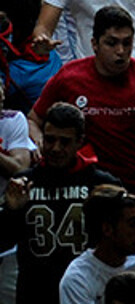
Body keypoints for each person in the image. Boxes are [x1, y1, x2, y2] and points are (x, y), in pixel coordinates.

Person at [31, 5, 135, 254]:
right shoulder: (70, 76)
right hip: (86, 196)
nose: (121, 52)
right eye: (112, 43)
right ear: (94, 43)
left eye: (127, 43)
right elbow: (34, 119)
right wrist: (42, 144)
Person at [0, 102, 120, 300]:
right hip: (37, 291)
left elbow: (126, 241)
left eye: (64, 141)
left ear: (80, 142)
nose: (55, 148)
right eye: (50, 140)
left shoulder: (101, 184)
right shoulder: (25, 184)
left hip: (88, 291)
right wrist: (12, 210)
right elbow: (4, 241)